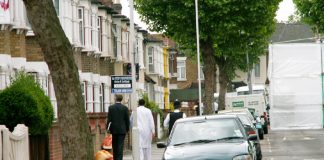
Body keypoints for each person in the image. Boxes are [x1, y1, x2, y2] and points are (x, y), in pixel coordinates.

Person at [106, 94, 130, 160]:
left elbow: (109, 119)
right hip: (122, 130)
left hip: (114, 130)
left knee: (114, 145)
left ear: (115, 99)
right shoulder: (125, 108)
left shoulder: (111, 108)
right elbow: (127, 120)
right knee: (120, 145)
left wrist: (107, 129)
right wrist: (127, 129)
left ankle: (115, 158)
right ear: (121, 99)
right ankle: (119, 158)